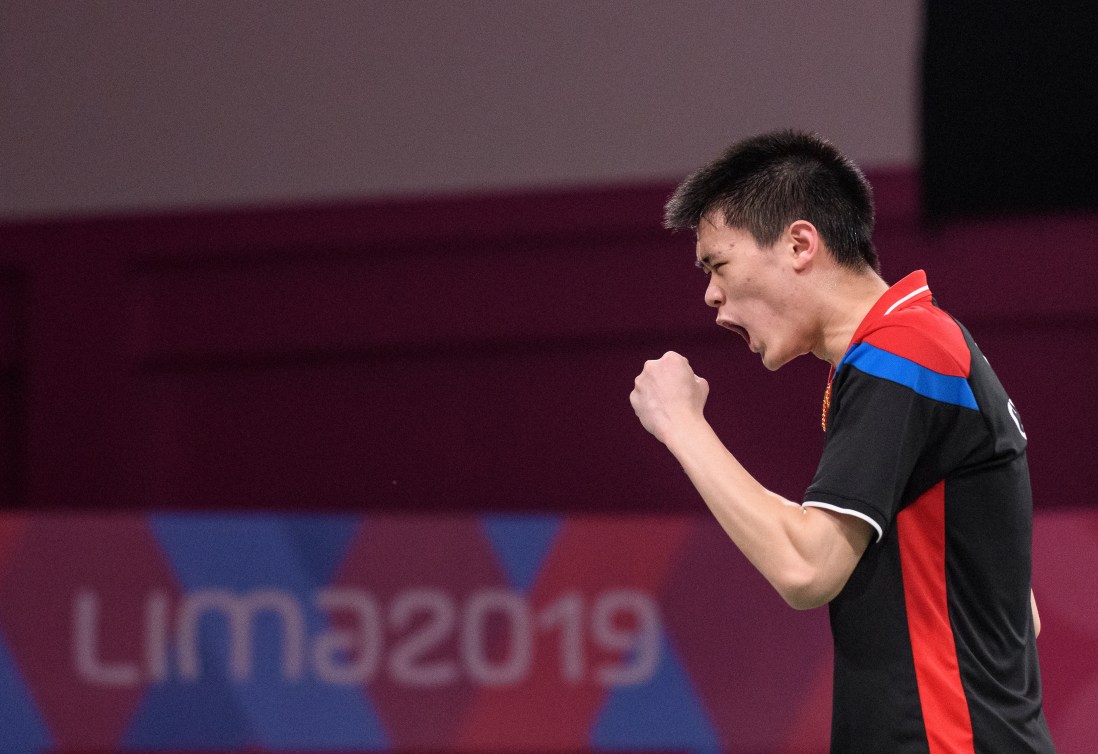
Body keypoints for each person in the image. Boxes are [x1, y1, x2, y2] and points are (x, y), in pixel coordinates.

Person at [629, 130, 1056, 753]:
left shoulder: (906, 351)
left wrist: (681, 425)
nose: (711, 296)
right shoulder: (910, 351)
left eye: (718, 264)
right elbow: (1021, 610)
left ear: (800, 244)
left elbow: (806, 567)